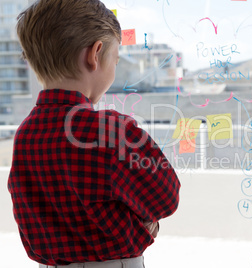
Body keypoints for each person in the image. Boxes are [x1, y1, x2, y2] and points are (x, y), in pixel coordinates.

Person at [7, 1, 180, 267]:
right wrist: (140, 220)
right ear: (95, 54)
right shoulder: (112, 132)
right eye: (116, 59)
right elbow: (166, 198)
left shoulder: (24, 135)